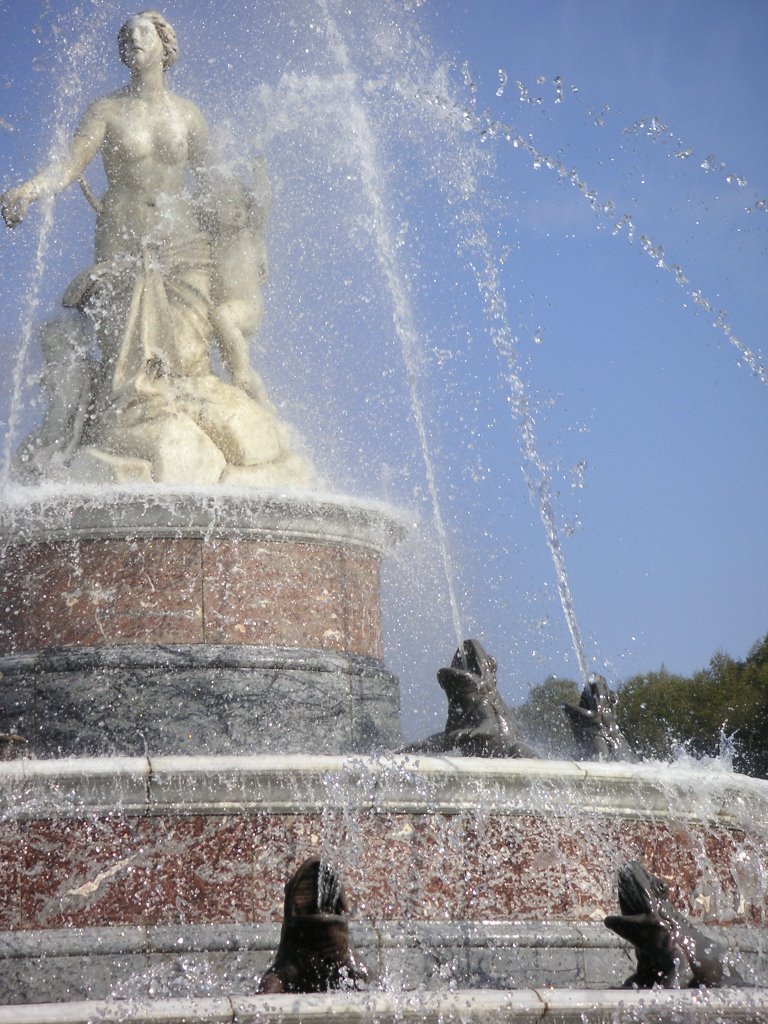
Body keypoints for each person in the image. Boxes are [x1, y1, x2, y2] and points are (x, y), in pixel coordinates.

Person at [1, 11, 310, 487]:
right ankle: (118, 430)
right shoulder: (106, 111)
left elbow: (213, 184)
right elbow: (70, 164)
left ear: (165, 45)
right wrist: (28, 190)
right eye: (125, 35)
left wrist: (252, 232)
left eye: (142, 32)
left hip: (184, 246)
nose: (131, 40)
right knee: (132, 376)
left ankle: (198, 419)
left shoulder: (187, 114)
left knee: (188, 360)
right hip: (126, 243)